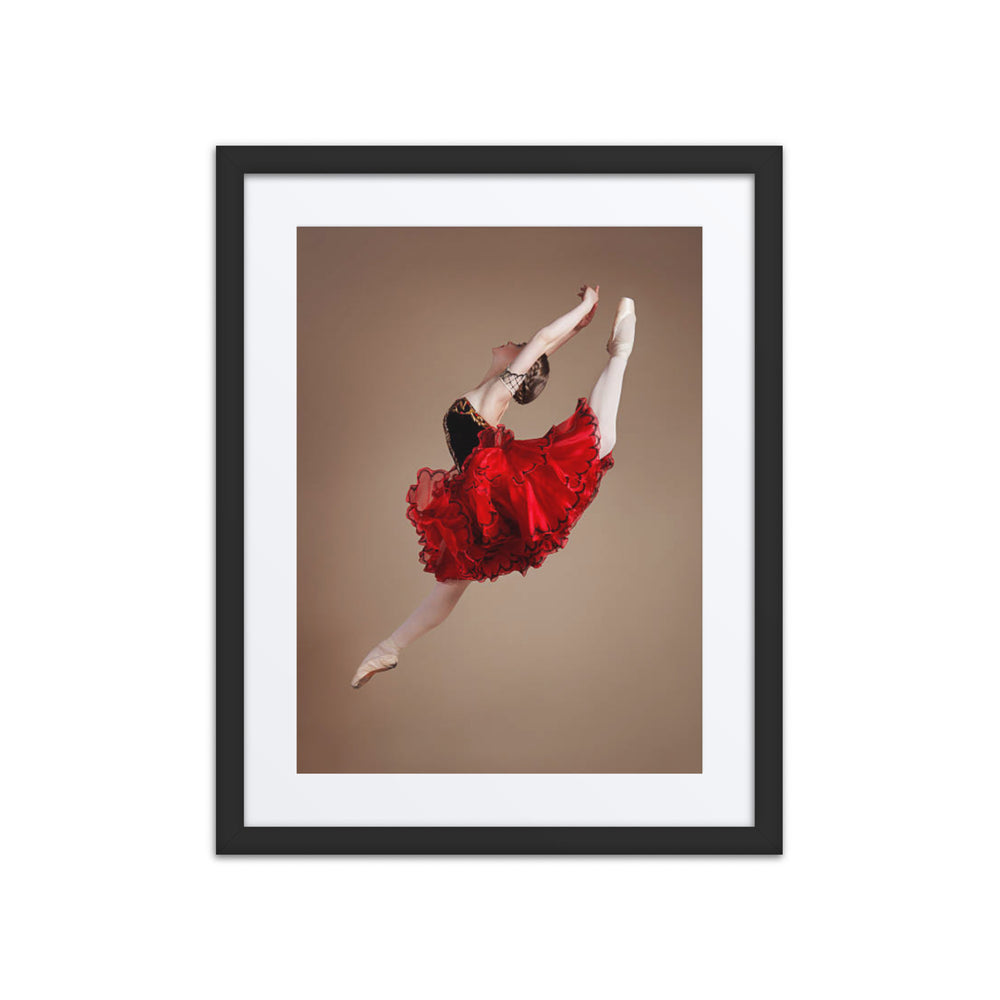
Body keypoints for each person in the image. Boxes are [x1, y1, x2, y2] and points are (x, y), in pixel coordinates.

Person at [351, 284, 636, 689]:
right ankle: (389, 648)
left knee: (593, 442)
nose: (509, 342)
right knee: (451, 582)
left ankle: (619, 353)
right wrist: (576, 328)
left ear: (518, 372)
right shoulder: (489, 390)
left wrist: (586, 306)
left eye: (516, 347)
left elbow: (540, 342)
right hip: (474, 494)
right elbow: (543, 347)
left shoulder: (491, 397)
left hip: (492, 485)